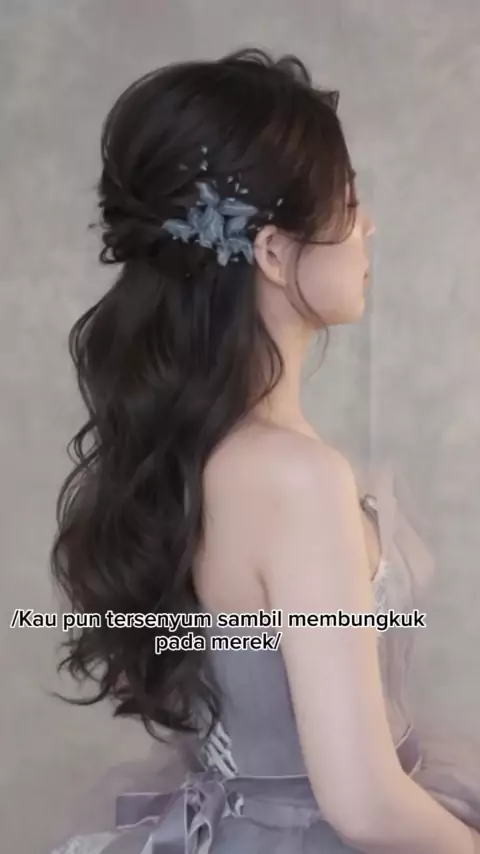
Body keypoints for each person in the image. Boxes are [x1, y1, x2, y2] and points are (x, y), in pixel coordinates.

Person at [46, 46, 480, 854]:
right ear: (274, 253)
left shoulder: (208, 449)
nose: (368, 227)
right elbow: (364, 804)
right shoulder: (291, 477)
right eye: (349, 203)